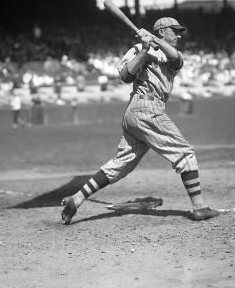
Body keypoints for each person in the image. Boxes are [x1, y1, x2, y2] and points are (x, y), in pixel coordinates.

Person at [61, 17, 220, 225]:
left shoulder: (173, 54)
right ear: (163, 30)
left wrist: (153, 40)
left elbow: (174, 58)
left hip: (142, 112)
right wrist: (144, 50)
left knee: (121, 164)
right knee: (185, 153)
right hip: (144, 107)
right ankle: (199, 207)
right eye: (175, 31)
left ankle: (77, 198)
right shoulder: (138, 48)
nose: (179, 36)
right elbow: (126, 76)